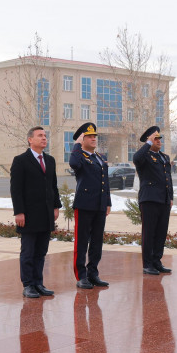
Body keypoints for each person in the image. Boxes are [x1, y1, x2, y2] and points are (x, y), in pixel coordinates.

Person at [10, 126, 62, 298]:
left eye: (45, 136)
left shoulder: (50, 160)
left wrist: (56, 206)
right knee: (28, 252)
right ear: (30, 139)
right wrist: (19, 212)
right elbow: (16, 189)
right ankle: (28, 285)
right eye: (40, 136)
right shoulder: (20, 160)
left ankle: (38, 283)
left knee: (41, 251)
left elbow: (53, 186)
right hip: (29, 215)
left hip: (46, 214)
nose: (44, 138)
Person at [69, 122, 111, 289]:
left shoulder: (99, 157)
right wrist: (76, 145)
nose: (94, 138)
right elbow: (73, 164)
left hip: (100, 205)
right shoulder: (79, 156)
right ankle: (81, 276)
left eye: (95, 136)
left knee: (97, 241)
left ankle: (93, 273)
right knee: (82, 241)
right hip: (85, 204)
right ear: (82, 139)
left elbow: (105, 182)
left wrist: (108, 202)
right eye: (90, 136)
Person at [132, 126, 173, 275]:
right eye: (155, 139)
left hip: (163, 200)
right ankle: (147, 264)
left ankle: (157, 261)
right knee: (149, 233)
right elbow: (136, 159)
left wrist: (171, 197)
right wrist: (147, 144)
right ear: (149, 140)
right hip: (149, 199)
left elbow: (168, 179)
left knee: (161, 232)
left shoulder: (164, 157)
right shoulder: (145, 156)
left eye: (159, 138)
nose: (158, 141)